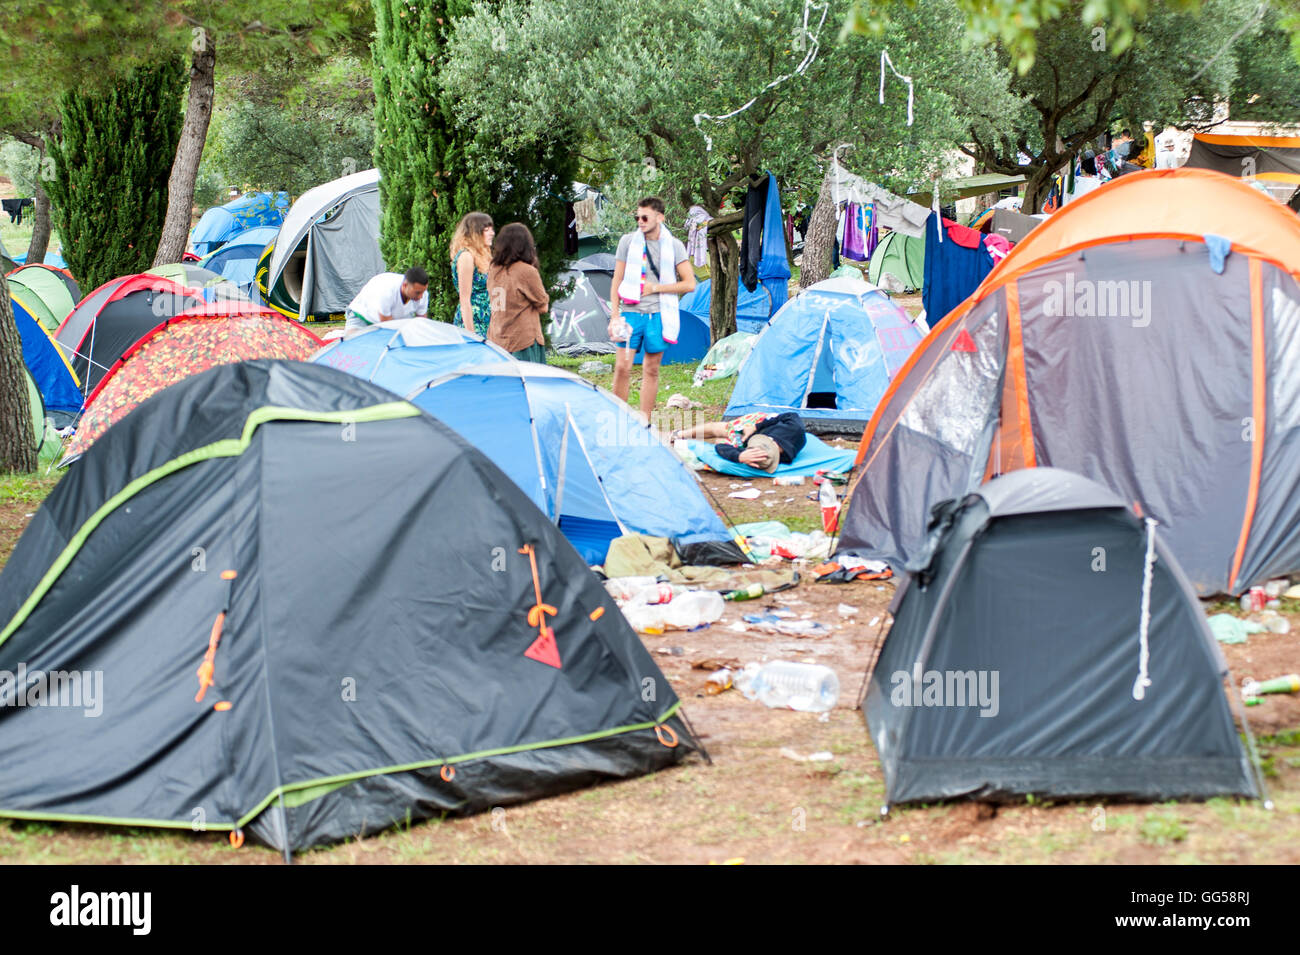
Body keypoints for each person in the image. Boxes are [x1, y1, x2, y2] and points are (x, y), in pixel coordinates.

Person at [609, 197, 696, 419]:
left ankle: (644, 420)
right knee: (622, 367)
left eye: (645, 217)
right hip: (630, 313)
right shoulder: (628, 242)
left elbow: (689, 283)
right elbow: (617, 280)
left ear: (660, 217)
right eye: (637, 217)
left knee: (651, 368)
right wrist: (614, 315)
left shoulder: (674, 245)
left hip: (659, 314)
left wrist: (656, 288)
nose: (640, 221)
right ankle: (618, 416)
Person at [487, 222, 549, 363]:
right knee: (531, 382)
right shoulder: (525, 271)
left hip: (497, 339)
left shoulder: (494, 270)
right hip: (522, 341)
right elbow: (543, 307)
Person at [674, 412, 807, 473]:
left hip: (745, 439)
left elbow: (721, 447)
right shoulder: (795, 430)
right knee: (722, 428)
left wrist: (739, 456)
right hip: (759, 422)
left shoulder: (758, 455)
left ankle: (680, 434)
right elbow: (790, 415)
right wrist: (755, 427)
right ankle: (680, 434)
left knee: (722, 438)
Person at [450, 212, 495, 337]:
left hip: (489, 323)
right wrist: (472, 335)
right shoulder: (466, 257)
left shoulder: (484, 256)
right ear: (475, 233)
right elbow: (464, 299)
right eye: (487, 230)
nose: (492, 233)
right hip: (474, 324)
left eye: (492, 229)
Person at [345, 267, 429, 331]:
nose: (420, 297)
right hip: (362, 318)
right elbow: (387, 325)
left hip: (394, 321)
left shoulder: (423, 294)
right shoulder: (387, 291)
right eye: (417, 293)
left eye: (423, 292)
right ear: (405, 285)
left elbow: (421, 323)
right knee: (353, 348)